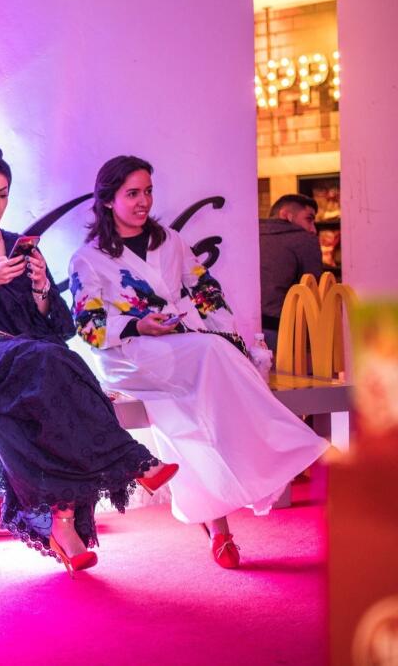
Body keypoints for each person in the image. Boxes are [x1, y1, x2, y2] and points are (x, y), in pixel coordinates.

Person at [0, 139, 178, 578]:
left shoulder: (21, 245)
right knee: (51, 364)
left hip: (27, 359)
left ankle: (63, 522)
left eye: (2, 195)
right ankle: (131, 461)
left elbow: (54, 326)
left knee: (58, 362)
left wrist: (39, 288)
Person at [69, 156, 329, 568]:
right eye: (132, 193)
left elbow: (206, 291)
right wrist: (139, 325)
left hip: (180, 349)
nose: (143, 201)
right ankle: (283, 444)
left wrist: (227, 337)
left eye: (148, 191)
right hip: (127, 357)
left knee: (192, 414)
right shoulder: (89, 258)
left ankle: (220, 526)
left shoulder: (169, 240)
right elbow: (88, 326)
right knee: (212, 354)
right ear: (107, 201)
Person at [259, 193, 323, 350]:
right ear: (286, 215)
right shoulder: (304, 240)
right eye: (309, 219)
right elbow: (313, 289)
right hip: (284, 327)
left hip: (246, 326)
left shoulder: (250, 234)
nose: (312, 229)